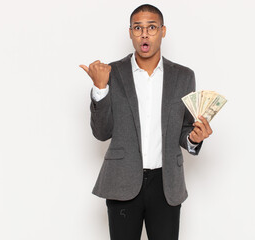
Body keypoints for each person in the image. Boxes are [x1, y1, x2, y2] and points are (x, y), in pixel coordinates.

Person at [79, 4, 213, 240]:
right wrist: (100, 88)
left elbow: (185, 129)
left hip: (166, 184)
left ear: (163, 31)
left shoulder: (184, 76)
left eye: (151, 27)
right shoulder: (112, 73)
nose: (144, 33)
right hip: (122, 180)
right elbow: (101, 133)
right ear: (130, 32)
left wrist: (194, 139)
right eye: (138, 27)